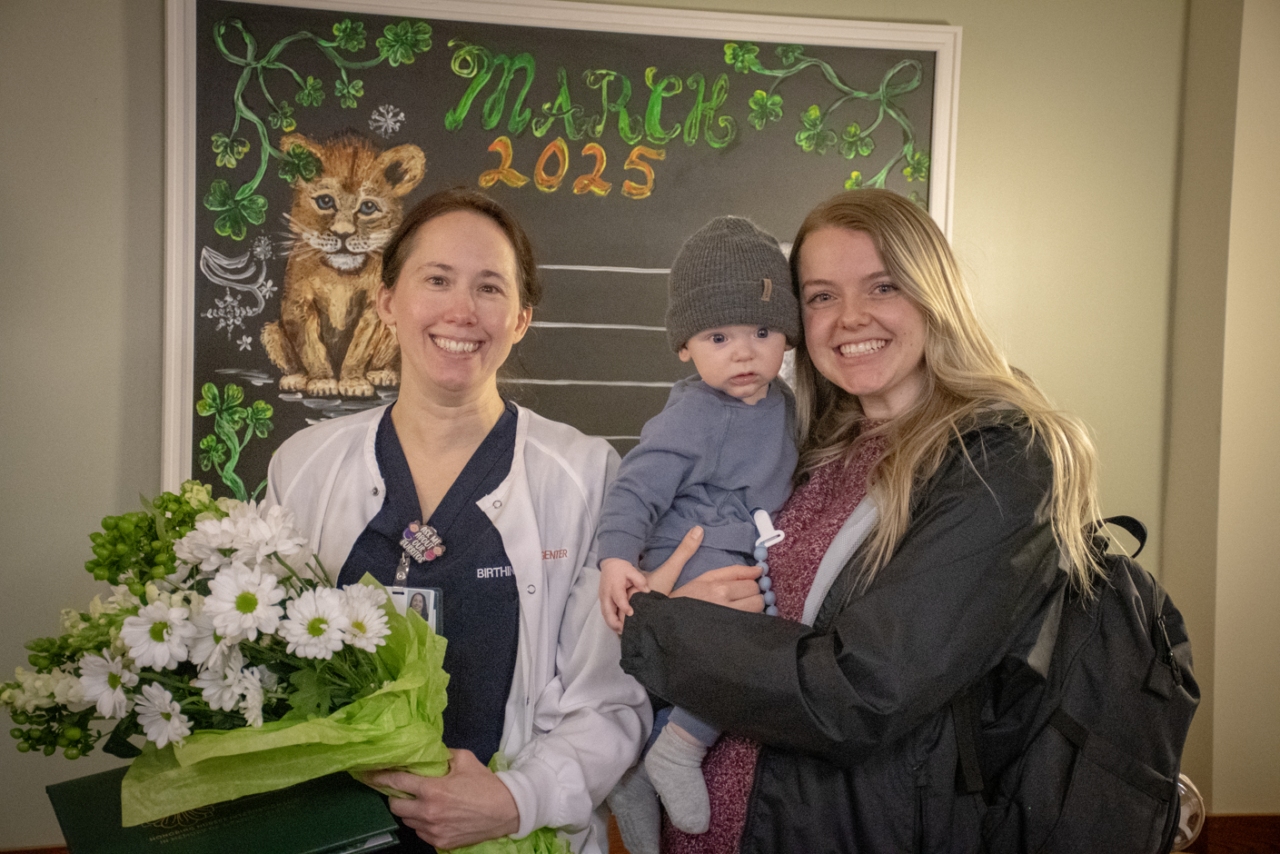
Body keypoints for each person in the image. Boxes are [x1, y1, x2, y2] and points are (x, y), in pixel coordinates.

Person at [618, 188, 1104, 853]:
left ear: (933, 293)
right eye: (821, 296)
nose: (850, 317)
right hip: (715, 828)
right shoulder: (811, 442)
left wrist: (668, 627)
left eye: (882, 286)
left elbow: (864, 691)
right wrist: (673, 601)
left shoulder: (999, 459)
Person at [264, 187, 650, 854]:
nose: (462, 311)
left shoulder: (585, 476)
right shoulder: (304, 468)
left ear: (521, 318)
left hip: (512, 836)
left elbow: (610, 698)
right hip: (331, 834)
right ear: (387, 301)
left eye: (490, 288)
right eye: (437, 279)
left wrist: (516, 798)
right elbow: (269, 672)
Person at [595, 217, 799, 849]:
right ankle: (679, 746)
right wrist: (615, 558)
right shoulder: (696, 412)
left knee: (758, 644)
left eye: (762, 332)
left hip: (740, 543)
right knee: (741, 646)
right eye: (719, 336)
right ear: (685, 347)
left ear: (787, 335)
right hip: (692, 548)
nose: (744, 352)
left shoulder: (786, 403)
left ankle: (636, 773)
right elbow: (636, 485)